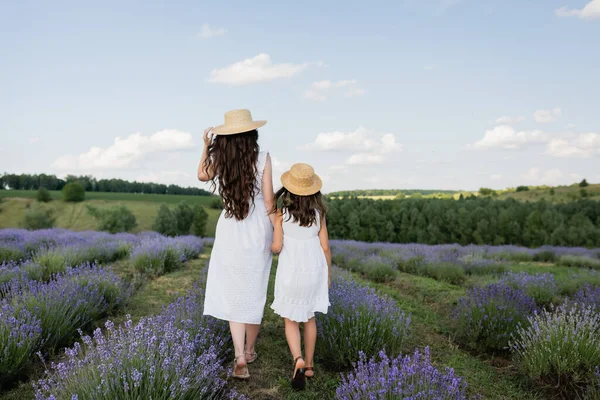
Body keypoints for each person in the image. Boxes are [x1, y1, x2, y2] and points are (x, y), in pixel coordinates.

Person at [198, 109, 275, 379]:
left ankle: (239, 356)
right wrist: (279, 233)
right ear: (252, 134)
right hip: (257, 229)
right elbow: (269, 201)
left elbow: (202, 175)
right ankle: (250, 349)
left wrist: (207, 147)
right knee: (254, 289)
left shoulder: (220, 159)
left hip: (231, 228)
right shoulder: (263, 158)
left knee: (233, 291)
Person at [270, 163, 331, 390]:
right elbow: (325, 247)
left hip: (291, 271)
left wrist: (270, 244)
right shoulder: (319, 215)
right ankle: (311, 365)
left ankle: (298, 359)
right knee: (310, 318)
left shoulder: (281, 215)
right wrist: (328, 275)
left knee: (291, 319)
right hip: (314, 270)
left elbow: (277, 247)